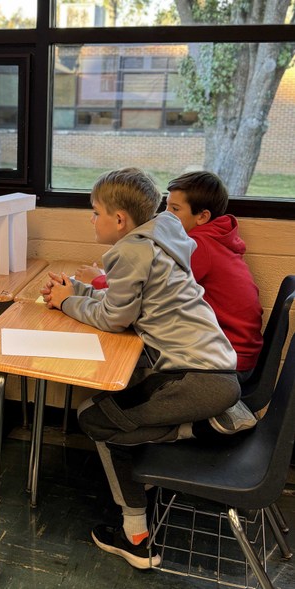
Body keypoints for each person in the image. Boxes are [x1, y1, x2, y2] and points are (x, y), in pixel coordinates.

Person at [41, 168, 240, 570]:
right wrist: (76, 291)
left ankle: (136, 538)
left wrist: (65, 303)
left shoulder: (130, 251)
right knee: (115, 414)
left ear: (119, 220)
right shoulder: (162, 231)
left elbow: (116, 319)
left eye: (94, 212)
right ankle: (200, 427)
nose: (90, 219)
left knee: (95, 418)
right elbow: (126, 302)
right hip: (216, 370)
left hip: (195, 381)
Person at [166, 171, 263, 432]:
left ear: (202, 216)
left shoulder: (199, 245)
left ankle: (207, 420)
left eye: (174, 209)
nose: (165, 216)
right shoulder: (215, 238)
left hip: (227, 365)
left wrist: (99, 281)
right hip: (239, 355)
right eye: (166, 206)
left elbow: (155, 286)